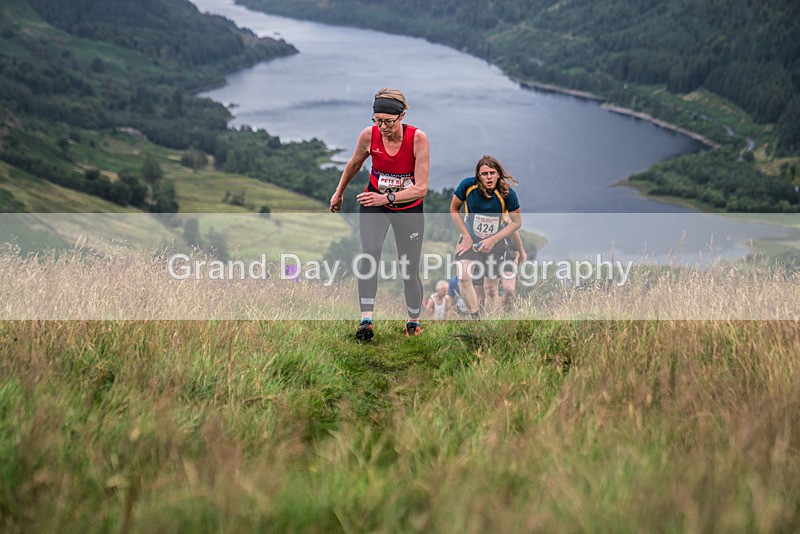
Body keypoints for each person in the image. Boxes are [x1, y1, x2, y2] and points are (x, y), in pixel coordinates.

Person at [330, 88, 430, 341]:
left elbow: (421, 188)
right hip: (375, 204)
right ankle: (366, 320)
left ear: (402, 115)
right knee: (370, 253)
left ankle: (413, 322)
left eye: (388, 121)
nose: (382, 126)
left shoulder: (418, 139)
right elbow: (354, 164)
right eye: (377, 120)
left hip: (408, 209)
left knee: (409, 267)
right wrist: (338, 192)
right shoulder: (369, 135)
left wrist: (388, 197)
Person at [449, 155, 522, 320]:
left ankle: (494, 321)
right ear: (478, 176)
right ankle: (475, 318)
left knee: (490, 290)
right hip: (471, 239)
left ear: (498, 174)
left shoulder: (507, 194)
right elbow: (454, 209)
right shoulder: (468, 186)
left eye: (492, 173)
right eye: (484, 174)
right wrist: (466, 236)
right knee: (463, 275)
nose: (488, 177)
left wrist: (493, 240)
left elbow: (517, 223)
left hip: (495, 244)